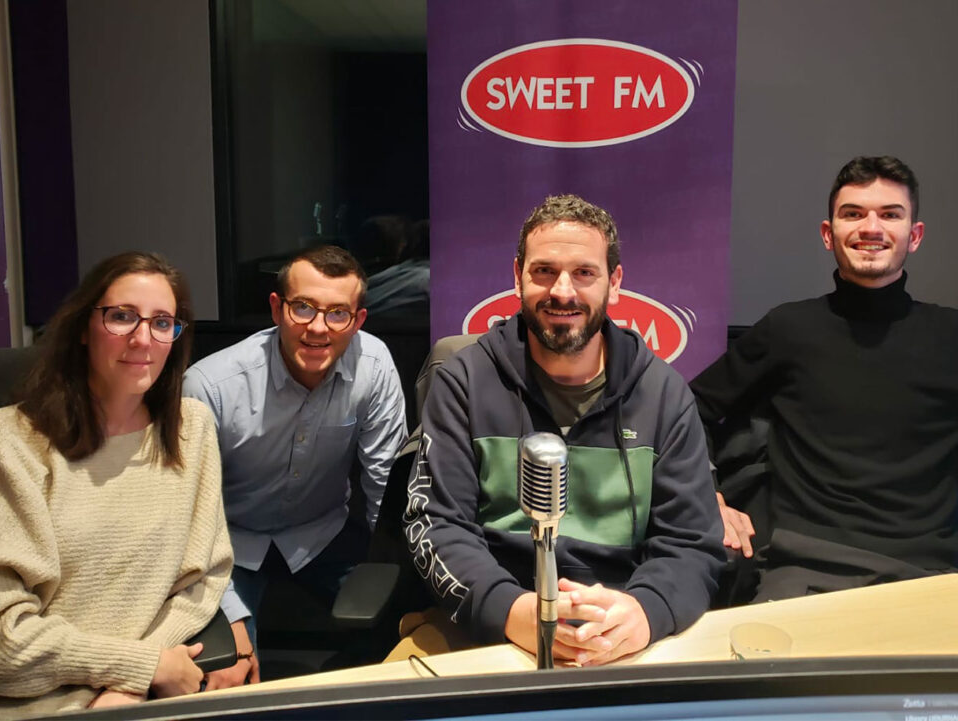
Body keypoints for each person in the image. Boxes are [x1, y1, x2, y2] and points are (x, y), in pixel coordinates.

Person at [399, 195, 724, 666]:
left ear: (614, 283)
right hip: (487, 624)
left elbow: (692, 543)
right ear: (517, 277)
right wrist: (511, 610)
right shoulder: (465, 380)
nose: (563, 291)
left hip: (620, 630)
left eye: (584, 273)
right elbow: (436, 523)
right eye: (544, 271)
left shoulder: (663, 393)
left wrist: (645, 612)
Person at [0, 252, 236, 717]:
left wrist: (134, 682)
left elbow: (205, 578)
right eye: (122, 317)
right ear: (82, 327)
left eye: (162, 323)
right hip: (27, 703)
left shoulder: (189, 429)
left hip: (140, 698)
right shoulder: (14, 439)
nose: (143, 339)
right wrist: (140, 666)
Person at [690, 156, 958, 602]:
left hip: (930, 575)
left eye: (890, 214)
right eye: (853, 214)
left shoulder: (950, 336)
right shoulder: (790, 329)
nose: (871, 227)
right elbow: (685, 412)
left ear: (914, 236)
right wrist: (708, 498)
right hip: (803, 570)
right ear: (828, 233)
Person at [183, 244, 407, 672]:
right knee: (227, 668)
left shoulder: (374, 367)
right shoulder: (210, 387)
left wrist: (396, 573)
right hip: (229, 542)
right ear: (276, 308)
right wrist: (230, 617)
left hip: (322, 532)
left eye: (338, 313)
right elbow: (190, 521)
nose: (318, 328)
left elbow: (385, 487)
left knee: (409, 628)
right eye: (303, 308)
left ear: (357, 320)